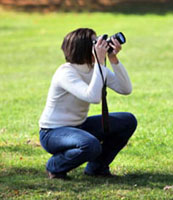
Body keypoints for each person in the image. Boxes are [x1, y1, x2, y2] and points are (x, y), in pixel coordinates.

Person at [39, 28, 137, 179]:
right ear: (83, 48)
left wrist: (112, 59)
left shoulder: (95, 68)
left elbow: (125, 89)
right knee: (91, 145)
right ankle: (55, 166)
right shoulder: (66, 72)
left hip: (79, 127)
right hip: (53, 132)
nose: (100, 44)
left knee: (127, 121)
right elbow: (93, 97)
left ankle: (97, 168)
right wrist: (100, 62)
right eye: (95, 42)